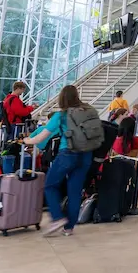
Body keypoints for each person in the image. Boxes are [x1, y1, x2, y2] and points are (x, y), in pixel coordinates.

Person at [22, 85, 98, 237]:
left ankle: (57, 218)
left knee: (50, 185)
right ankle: (69, 228)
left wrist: (27, 140)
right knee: (75, 191)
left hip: (68, 154)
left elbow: (41, 137)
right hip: (86, 155)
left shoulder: (61, 115)